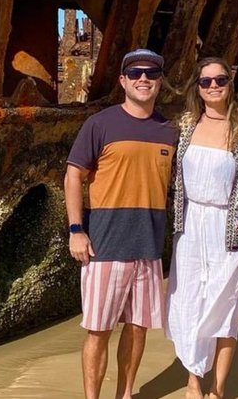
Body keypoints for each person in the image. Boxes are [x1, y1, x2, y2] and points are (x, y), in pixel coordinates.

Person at [64, 48, 179, 399]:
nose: (143, 79)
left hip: (148, 247)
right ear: (123, 80)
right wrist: (75, 230)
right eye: (136, 73)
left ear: (160, 82)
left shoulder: (169, 131)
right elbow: (73, 176)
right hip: (105, 246)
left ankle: (125, 394)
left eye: (152, 74)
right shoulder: (100, 124)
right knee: (98, 329)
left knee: (138, 327)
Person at [165, 57, 238, 399]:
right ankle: (193, 381)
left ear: (230, 82)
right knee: (189, 301)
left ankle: (217, 388)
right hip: (190, 226)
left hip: (231, 230)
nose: (213, 86)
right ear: (197, 87)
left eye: (219, 79)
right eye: (205, 81)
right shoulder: (185, 125)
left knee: (225, 307)